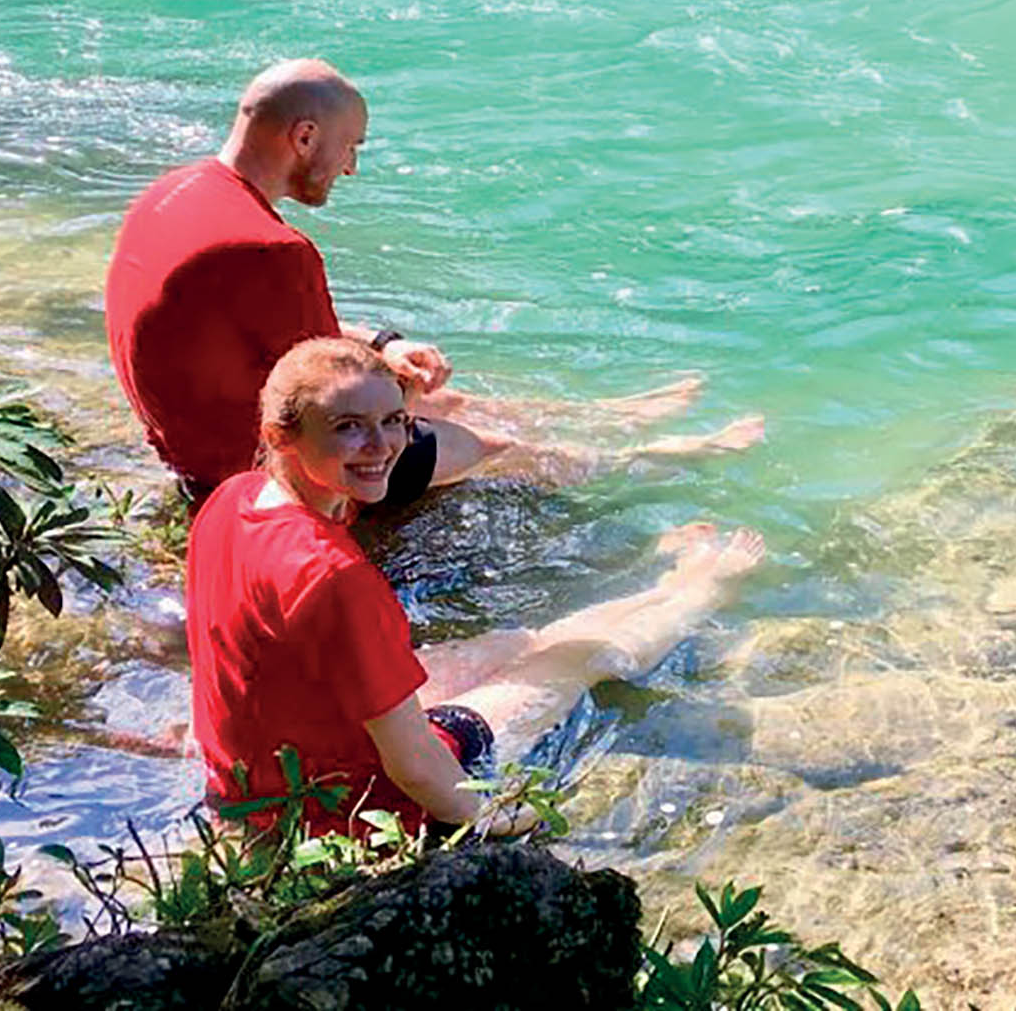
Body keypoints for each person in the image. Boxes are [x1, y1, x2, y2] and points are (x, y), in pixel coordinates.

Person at [105, 57, 760, 504]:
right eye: (350, 146)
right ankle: (654, 456)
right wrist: (404, 389)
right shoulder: (272, 248)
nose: (351, 167)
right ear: (305, 137)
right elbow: (333, 387)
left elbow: (306, 344)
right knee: (489, 445)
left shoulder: (178, 190)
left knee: (437, 398)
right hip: (249, 469)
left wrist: (386, 346)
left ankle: (605, 416)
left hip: (193, 438)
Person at [186, 337, 765, 837]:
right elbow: (417, 770)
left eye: (393, 421)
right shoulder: (331, 575)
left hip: (261, 773)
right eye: (348, 428)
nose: (384, 446)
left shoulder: (234, 499)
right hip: (347, 808)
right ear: (281, 436)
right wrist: (501, 819)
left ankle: (662, 583)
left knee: (521, 644)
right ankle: (701, 587)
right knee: (583, 657)